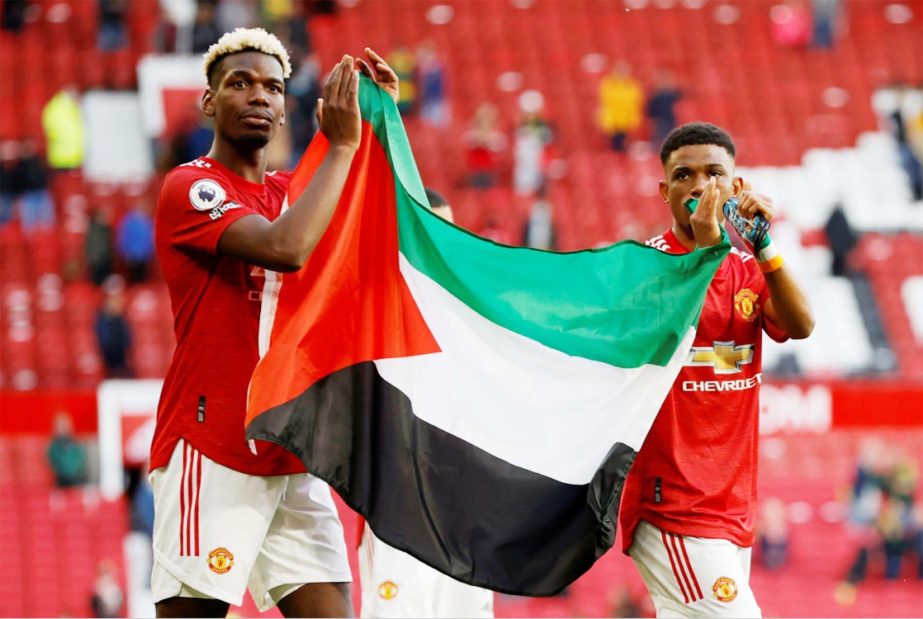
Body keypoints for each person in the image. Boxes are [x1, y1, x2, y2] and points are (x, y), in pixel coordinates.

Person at [149, 27, 398, 618]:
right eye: (240, 83)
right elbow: (286, 247)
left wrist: (379, 126)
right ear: (209, 102)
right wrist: (340, 147)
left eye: (273, 86)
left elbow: (372, 224)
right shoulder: (191, 186)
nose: (259, 95)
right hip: (214, 443)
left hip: (289, 448)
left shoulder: (293, 191)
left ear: (287, 108)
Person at [618, 122, 814, 618]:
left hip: (730, 505)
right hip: (673, 507)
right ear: (665, 191)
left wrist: (764, 245)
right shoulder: (645, 269)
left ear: (736, 187)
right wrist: (708, 253)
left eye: (714, 173)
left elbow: (801, 324)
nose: (699, 185)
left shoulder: (749, 268)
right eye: (684, 175)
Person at [357, 187, 494, 619]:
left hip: (468, 515)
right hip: (401, 512)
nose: (440, 244)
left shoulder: (477, 318)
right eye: (428, 232)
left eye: (447, 231)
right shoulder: (374, 314)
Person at [597, 60, 644, 153]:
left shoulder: (632, 85)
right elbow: (607, 99)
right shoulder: (608, 84)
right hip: (613, 118)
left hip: (626, 118)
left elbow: (636, 100)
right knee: (614, 142)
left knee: (624, 139)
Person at [47, 411, 89, 488]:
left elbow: (80, 461)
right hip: (62, 480)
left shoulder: (75, 444)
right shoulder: (54, 447)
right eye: (61, 425)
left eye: (65, 425)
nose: (63, 428)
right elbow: (55, 464)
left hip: (77, 479)